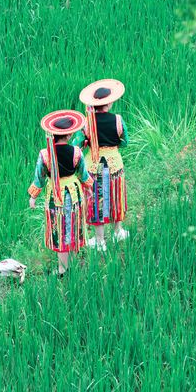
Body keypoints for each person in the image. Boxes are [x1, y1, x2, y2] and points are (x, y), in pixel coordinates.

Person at [28, 110, 94, 276]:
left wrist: (33, 197)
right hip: (73, 193)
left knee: (59, 228)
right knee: (73, 225)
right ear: (69, 134)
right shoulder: (77, 152)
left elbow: (39, 178)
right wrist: (90, 188)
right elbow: (83, 175)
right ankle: (71, 263)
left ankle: (62, 268)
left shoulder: (45, 154)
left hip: (54, 196)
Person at [74, 79, 130, 251]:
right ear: (109, 103)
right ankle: (118, 231)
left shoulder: (86, 123)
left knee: (97, 200)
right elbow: (125, 142)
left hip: (94, 166)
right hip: (114, 164)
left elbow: (77, 144)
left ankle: (99, 240)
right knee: (115, 196)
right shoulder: (118, 120)